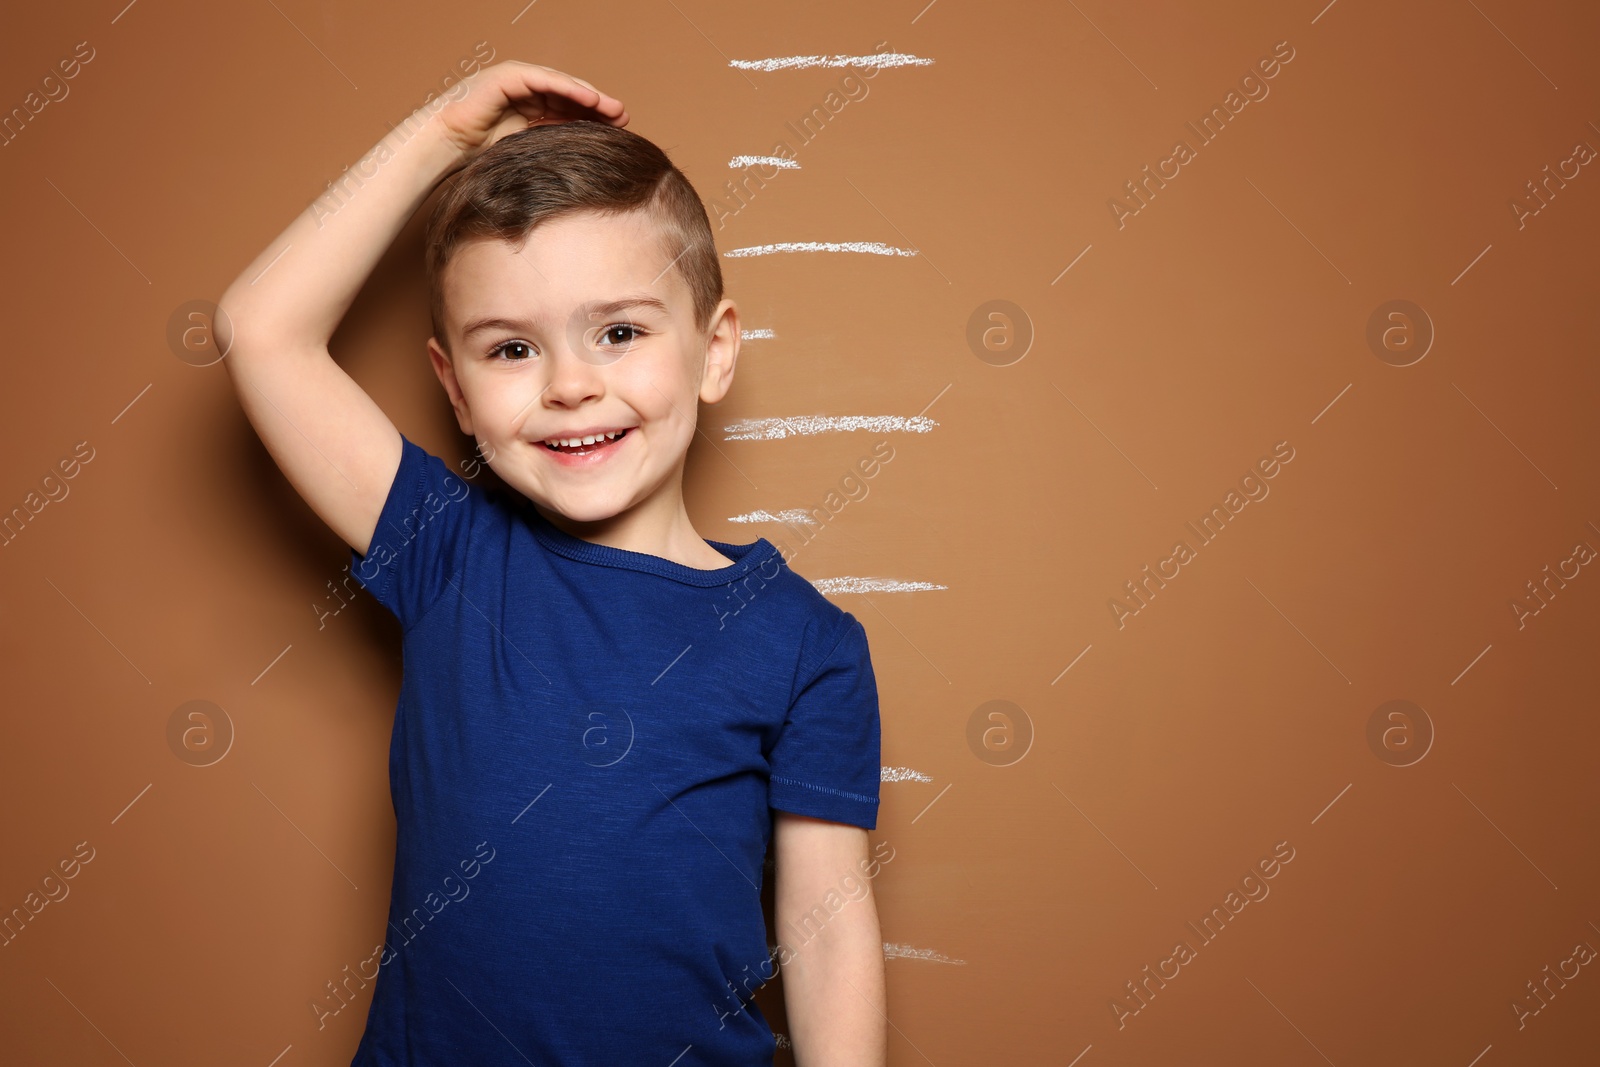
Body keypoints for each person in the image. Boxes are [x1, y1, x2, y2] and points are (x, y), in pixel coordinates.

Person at [215, 60, 887, 1065]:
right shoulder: (446, 547)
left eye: (618, 331)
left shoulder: (808, 643)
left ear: (714, 350)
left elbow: (827, 929)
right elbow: (261, 332)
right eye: (511, 349)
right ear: (453, 385)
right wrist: (441, 137)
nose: (571, 385)